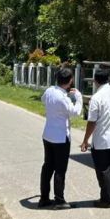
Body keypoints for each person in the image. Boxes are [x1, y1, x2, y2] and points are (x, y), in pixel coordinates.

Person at [80, 67, 110, 208]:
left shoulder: (96, 98)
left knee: (103, 170)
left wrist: (85, 140)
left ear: (95, 81)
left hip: (102, 141)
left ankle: (106, 200)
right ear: (109, 79)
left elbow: (92, 122)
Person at [39, 67, 82, 209]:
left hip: (48, 134)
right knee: (60, 169)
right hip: (61, 138)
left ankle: (44, 198)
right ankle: (59, 200)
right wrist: (79, 99)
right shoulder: (63, 98)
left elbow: (43, 100)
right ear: (70, 81)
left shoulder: (49, 91)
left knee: (47, 167)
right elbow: (75, 112)